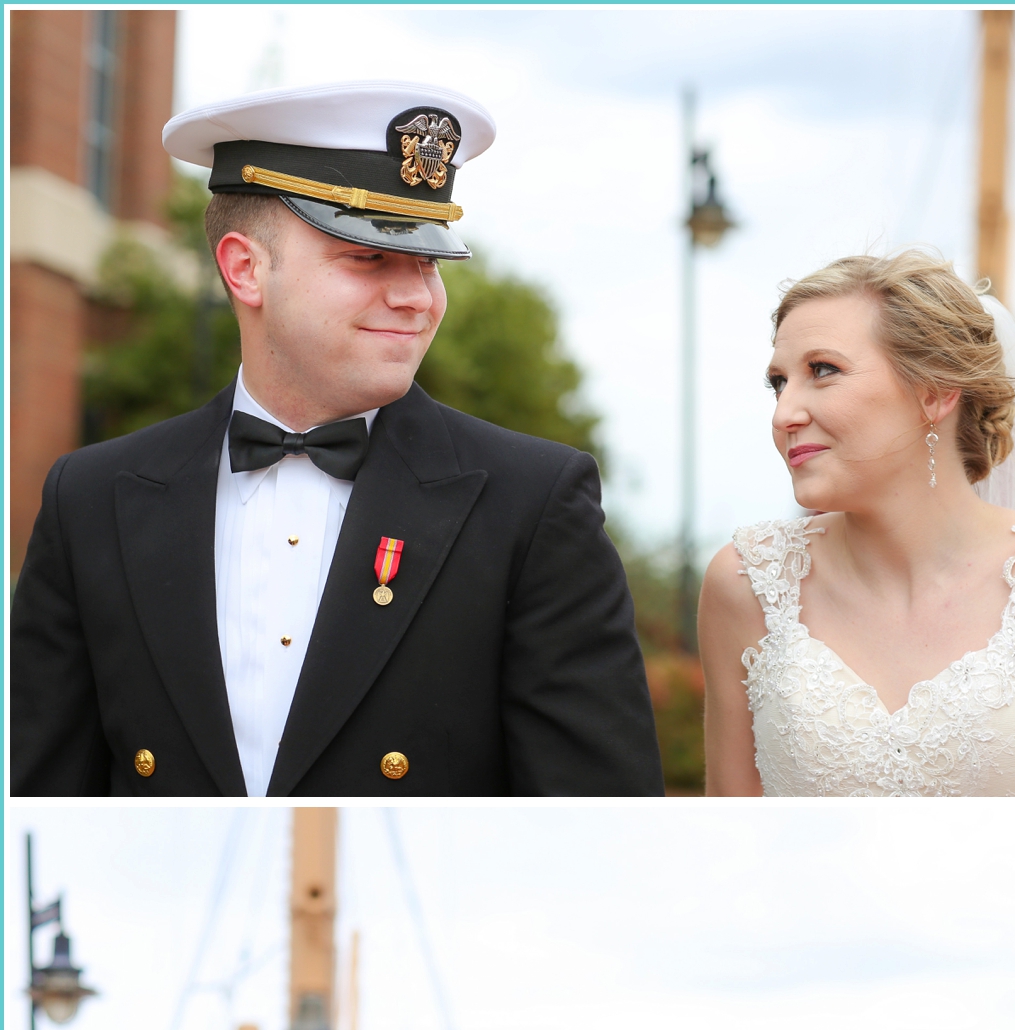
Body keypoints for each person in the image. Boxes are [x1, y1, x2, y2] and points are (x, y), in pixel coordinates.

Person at [11, 80, 662, 799]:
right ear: (245, 268)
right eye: (369, 258)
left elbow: (596, 823)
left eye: (428, 261)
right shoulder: (92, 497)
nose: (417, 296)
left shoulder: (531, 504)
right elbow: (38, 807)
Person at [699, 250, 1015, 797]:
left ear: (936, 392)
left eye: (823, 371)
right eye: (779, 382)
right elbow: (728, 837)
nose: (784, 414)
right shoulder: (747, 585)